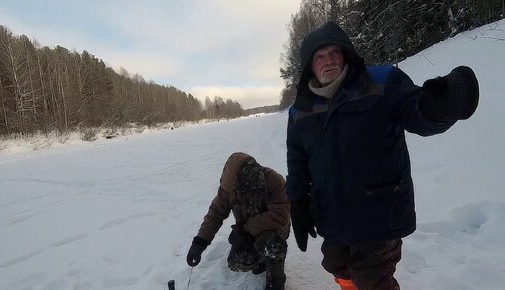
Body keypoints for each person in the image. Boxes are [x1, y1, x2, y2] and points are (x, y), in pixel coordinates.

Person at [286, 22, 479, 290]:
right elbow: (297, 162)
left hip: (378, 210)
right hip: (332, 213)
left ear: (346, 55)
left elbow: (416, 111)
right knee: (336, 264)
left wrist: (440, 106)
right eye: (320, 56)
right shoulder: (300, 110)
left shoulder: (380, 82)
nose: (328, 61)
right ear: (310, 64)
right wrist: (297, 201)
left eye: (334, 53)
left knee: (371, 278)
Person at [187, 152, 290, 290]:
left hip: (275, 229)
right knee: (237, 262)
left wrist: (246, 228)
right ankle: (262, 260)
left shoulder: (273, 180)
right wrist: (200, 242)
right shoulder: (229, 187)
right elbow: (216, 213)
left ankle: (275, 281)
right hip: (248, 232)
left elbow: (280, 216)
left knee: (272, 245)